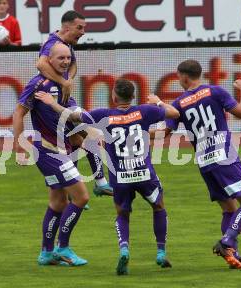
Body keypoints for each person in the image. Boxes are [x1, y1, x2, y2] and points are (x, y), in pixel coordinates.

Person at [35, 78, 180, 275]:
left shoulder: (104, 115)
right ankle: (161, 252)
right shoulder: (146, 111)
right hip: (145, 173)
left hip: (120, 178)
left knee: (122, 215)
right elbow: (174, 113)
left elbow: (71, 116)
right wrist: (158, 101)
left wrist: (52, 103)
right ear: (133, 96)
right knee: (159, 207)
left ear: (114, 96)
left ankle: (124, 249)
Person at [154, 59, 241, 269]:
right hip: (224, 156)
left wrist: (136, 134)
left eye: (178, 76)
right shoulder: (215, 91)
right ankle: (227, 242)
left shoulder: (179, 102)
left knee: (228, 208)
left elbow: (164, 133)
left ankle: (234, 255)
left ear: (184, 76)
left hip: (205, 162)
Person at [13, 43, 89, 266]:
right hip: (48, 151)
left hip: (59, 149)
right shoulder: (38, 84)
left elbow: (71, 116)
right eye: (61, 58)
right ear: (49, 60)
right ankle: (62, 247)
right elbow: (19, 113)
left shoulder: (64, 84)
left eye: (68, 58)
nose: (65, 62)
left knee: (58, 202)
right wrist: (19, 147)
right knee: (82, 197)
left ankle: (46, 253)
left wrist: (80, 137)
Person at [36, 10, 113, 197]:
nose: (83, 32)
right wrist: (63, 82)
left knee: (77, 140)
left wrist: (68, 78)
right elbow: (40, 64)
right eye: (80, 27)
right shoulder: (54, 43)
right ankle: (99, 184)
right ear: (66, 27)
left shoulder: (66, 44)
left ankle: (76, 190)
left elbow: (74, 65)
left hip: (63, 101)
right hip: (56, 102)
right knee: (89, 135)